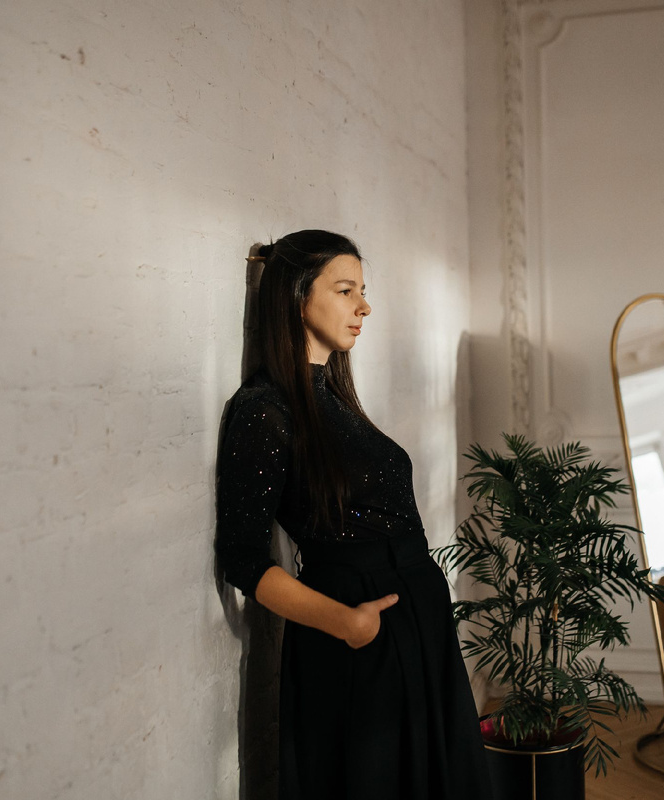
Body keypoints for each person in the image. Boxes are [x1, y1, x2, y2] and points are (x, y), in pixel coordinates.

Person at [215, 230, 492, 800]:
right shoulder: (263, 409)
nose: (364, 307)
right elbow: (242, 558)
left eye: (362, 291)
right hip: (353, 633)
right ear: (297, 297)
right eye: (346, 291)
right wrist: (346, 623)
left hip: (417, 623)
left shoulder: (335, 398)